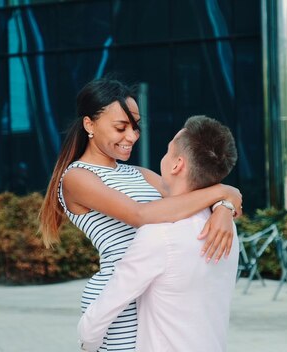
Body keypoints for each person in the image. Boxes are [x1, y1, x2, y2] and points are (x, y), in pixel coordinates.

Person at [39, 78, 242, 351]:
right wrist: (224, 191)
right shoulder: (77, 177)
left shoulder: (140, 174)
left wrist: (224, 206)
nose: (132, 136)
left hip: (154, 299)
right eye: (121, 127)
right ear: (89, 125)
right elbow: (140, 214)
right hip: (117, 304)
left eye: (134, 127)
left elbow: (187, 200)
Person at [77, 116, 239, 351]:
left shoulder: (160, 234)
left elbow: (110, 303)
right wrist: (224, 201)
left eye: (168, 150)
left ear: (177, 165)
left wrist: (86, 341)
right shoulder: (226, 226)